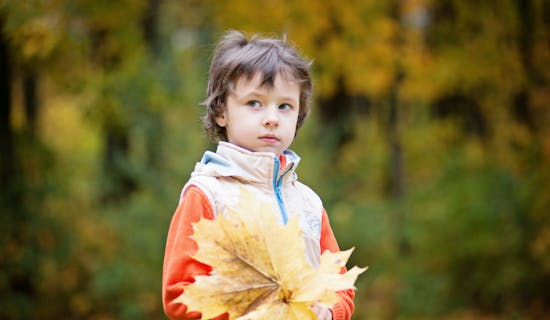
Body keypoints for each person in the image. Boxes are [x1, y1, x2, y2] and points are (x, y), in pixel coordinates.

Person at [162, 30, 355, 320]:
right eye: (254, 103)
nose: (272, 118)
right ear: (220, 112)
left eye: (285, 106)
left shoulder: (309, 203)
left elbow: (340, 285)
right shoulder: (208, 194)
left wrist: (327, 313)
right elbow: (181, 292)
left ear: (299, 115)